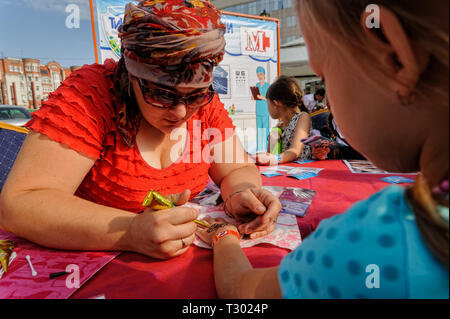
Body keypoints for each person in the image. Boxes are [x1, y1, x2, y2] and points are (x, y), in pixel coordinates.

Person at [196, 0, 449, 298]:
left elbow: (243, 292)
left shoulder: (369, 242)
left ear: (393, 54)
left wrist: (223, 235)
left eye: (325, 77)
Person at [0, 0, 282, 260]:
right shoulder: (93, 96)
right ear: (131, 75)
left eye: (195, 95)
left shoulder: (205, 105)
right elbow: (21, 203)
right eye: (161, 94)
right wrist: (129, 231)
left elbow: (235, 169)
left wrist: (240, 193)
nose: (181, 112)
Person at [255, 76, 312, 166]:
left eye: (268, 103)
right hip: (285, 174)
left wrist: (274, 158)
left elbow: (295, 150)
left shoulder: (303, 117)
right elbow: (270, 155)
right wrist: (272, 141)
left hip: (302, 174)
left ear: (276, 103)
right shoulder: (280, 127)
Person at [253, 67, 271, 153]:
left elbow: (269, 99)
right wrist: (253, 97)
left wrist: (262, 97)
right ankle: (259, 149)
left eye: (261, 74)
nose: (259, 76)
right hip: (258, 110)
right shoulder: (256, 85)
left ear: (264, 74)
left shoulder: (268, 86)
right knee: (259, 130)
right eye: (258, 75)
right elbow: (256, 97)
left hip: (265, 110)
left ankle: (267, 148)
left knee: (266, 130)